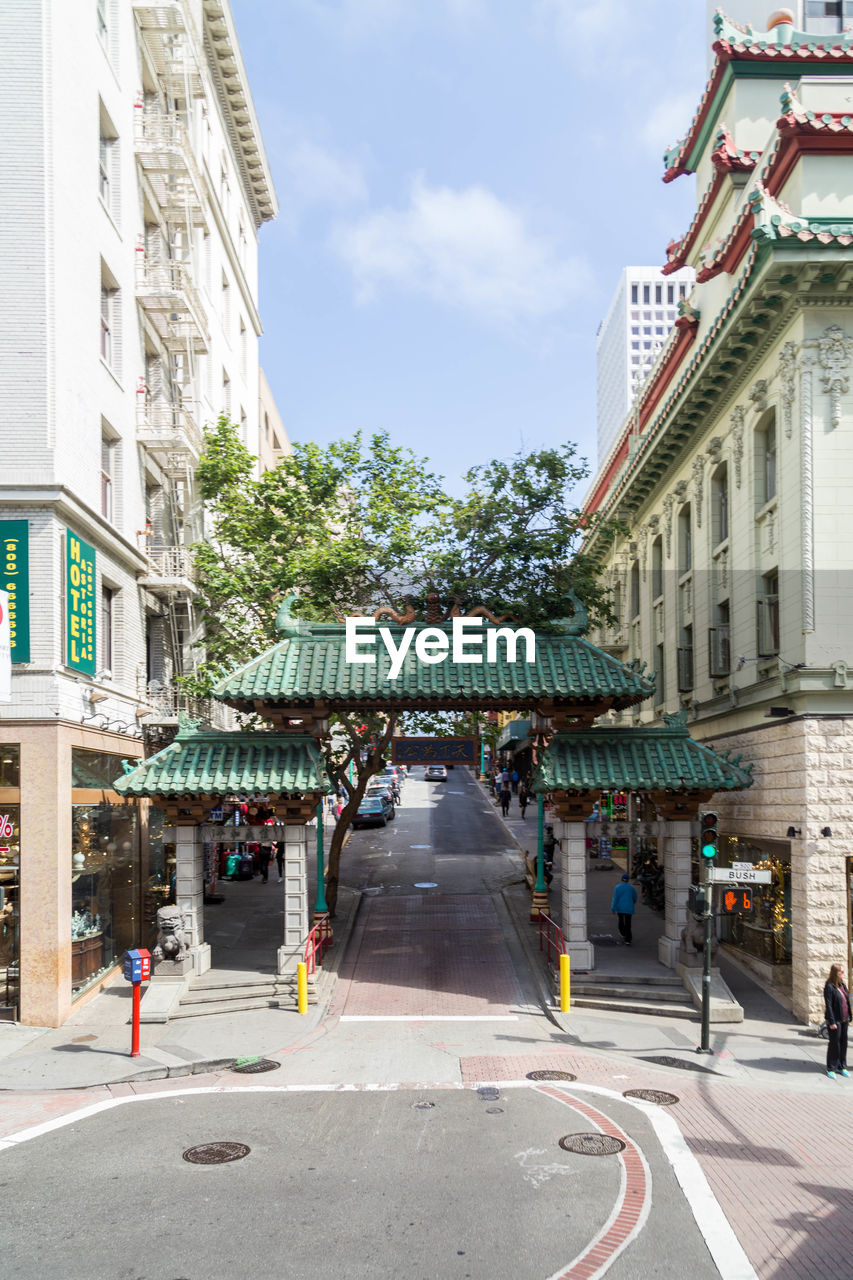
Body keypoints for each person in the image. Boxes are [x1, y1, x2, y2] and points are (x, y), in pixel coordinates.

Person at [824, 963, 851, 1079]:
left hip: (845, 1019)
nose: (843, 974)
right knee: (834, 1044)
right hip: (835, 1020)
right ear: (836, 973)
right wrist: (832, 1021)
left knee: (843, 1043)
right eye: (841, 972)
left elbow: (847, 1001)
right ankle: (831, 1068)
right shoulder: (829, 987)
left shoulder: (843, 985)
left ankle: (842, 1066)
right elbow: (828, 1005)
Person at [610, 872, 638, 946]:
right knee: (628, 924)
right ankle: (628, 939)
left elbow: (615, 899)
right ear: (628, 880)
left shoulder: (617, 887)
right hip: (629, 908)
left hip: (620, 908)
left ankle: (623, 933)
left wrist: (613, 908)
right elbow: (635, 897)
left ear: (621, 879)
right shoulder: (631, 888)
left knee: (621, 921)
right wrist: (633, 902)